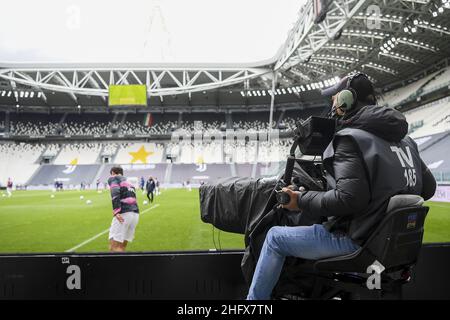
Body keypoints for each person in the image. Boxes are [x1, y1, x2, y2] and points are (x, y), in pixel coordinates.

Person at [247, 72, 437, 300]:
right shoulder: (408, 142)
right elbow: (428, 189)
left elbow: (348, 199)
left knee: (275, 237)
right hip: (392, 247)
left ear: (347, 98)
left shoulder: (349, 137)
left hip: (357, 242)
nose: (332, 103)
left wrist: (300, 200)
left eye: (335, 97)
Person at [107, 166, 140, 252]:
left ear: (113, 173)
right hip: (135, 214)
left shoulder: (114, 178)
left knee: (114, 247)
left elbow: (115, 192)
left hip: (123, 213)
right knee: (122, 247)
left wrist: (116, 211)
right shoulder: (129, 182)